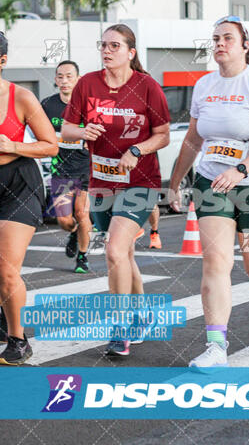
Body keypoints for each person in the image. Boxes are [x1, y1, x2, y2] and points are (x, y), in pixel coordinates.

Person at [169, 15, 249, 370]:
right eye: (216, 38)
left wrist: (241, 169)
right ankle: (215, 347)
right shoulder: (205, 85)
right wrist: (176, 181)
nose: (220, 43)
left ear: (244, 45)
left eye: (227, 38)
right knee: (216, 262)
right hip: (212, 181)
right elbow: (194, 139)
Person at [61, 23, 170, 356]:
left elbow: (163, 134)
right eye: (103, 45)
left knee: (112, 251)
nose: (106, 51)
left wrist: (136, 150)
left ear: (130, 53)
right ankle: (142, 316)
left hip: (139, 181)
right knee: (124, 254)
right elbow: (66, 129)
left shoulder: (147, 86)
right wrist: (84, 132)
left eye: (114, 46)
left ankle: (120, 329)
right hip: (101, 182)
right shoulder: (87, 84)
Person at [0, 32, 58, 364]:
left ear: (2, 61)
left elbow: (50, 144)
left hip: (19, 184)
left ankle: (19, 340)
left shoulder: (21, 97)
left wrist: (13, 146)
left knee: (7, 269)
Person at [41, 61, 91, 273]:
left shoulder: (88, 105)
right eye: (60, 76)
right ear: (55, 79)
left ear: (78, 79)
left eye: (69, 76)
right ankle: (73, 233)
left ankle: (82, 257)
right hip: (60, 169)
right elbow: (38, 131)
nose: (64, 81)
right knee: (63, 220)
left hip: (86, 167)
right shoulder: (47, 105)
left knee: (81, 213)